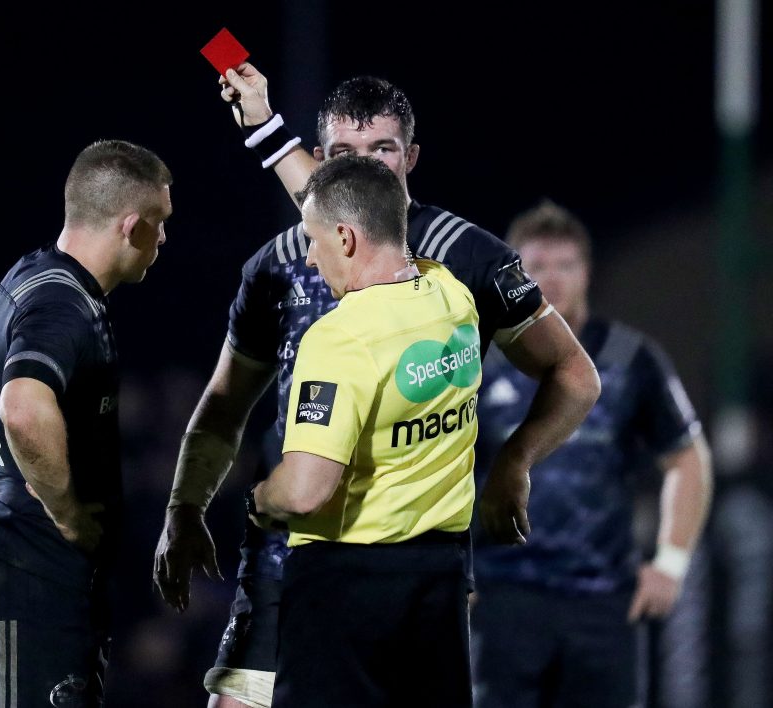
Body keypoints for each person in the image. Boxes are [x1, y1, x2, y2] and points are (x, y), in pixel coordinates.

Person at [153, 65, 600, 708]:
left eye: (382, 151)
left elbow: (573, 374)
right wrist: (184, 507)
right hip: (289, 566)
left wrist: (515, 464)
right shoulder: (280, 265)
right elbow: (224, 404)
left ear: (411, 157)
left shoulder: (465, 261)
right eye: (341, 155)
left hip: (409, 570)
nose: (360, 168)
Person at [247, 153, 481, 706]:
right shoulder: (453, 297)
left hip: (348, 588)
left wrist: (259, 499)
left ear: (347, 239)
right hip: (441, 581)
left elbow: (305, 492)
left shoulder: (340, 338)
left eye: (314, 238)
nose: (309, 254)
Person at [469, 200, 713, 708]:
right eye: (536, 266)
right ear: (513, 273)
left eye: (566, 265)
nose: (552, 278)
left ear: (588, 272)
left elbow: (687, 459)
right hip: (500, 600)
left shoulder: (630, 357)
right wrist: (451, 570)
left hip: (602, 603)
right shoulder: (479, 358)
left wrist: (669, 562)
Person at [0, 139, 172, 708]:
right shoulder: (62, 301)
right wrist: (67, 513)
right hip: (25, 574)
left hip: (46, 582)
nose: (164, 238)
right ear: (130, 226)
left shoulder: (42, 278)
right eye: (159, 222)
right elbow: (22, 407)